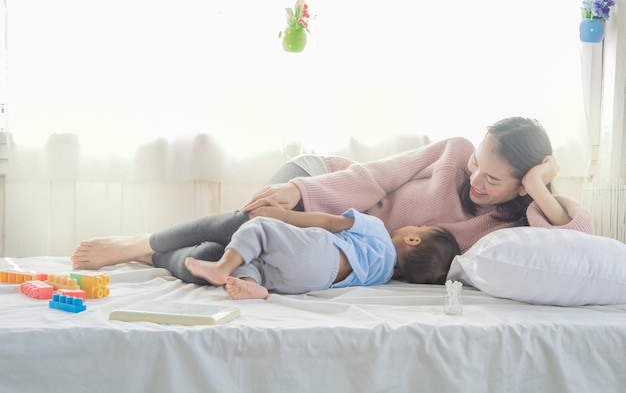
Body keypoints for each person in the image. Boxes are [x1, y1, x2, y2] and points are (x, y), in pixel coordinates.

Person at [71, 117, 593, 285]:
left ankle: (151, 255)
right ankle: (136, 241)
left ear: (524, 186)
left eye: (496, 180)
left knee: (222, 266)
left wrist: (542, 186)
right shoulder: (454, 154)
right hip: (324, 186)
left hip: (336, 236)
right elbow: (375, 178)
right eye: (479, 164)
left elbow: (577, 240)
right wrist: (297, 193)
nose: (476, 180)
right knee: (246, 224)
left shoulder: (507, 227)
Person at [183, 201, 460, 300]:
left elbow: (329, 222)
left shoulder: (377, 229)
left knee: (259, 229)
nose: (413, 225)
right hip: (313, 282)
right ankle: (252, 286)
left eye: (419, 226)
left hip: (321, 252)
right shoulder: (384, 275)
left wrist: (283, 216)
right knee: (257, 265)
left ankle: (222, 267)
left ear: (413, 240)